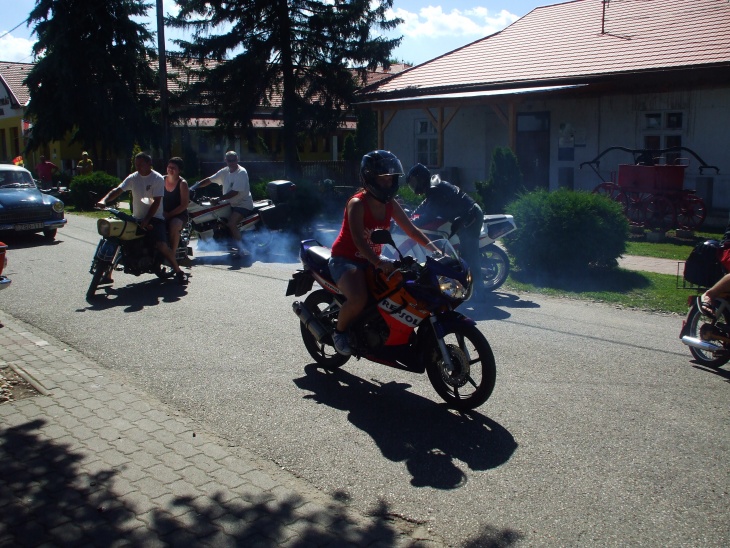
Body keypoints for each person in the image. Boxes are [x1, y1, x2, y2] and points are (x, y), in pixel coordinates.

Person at [328, 150, 439, 356]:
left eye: (391, 179)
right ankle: (339, 332)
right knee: (359, 299)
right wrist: (379, 261)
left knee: (403, 288)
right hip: (346, 260)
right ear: (369, 178)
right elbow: (359, 241)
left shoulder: (390, 204)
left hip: (373, 260)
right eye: (383, 179)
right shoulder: (357, 204)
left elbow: (412, 230)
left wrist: (436, 250)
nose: (388, 184)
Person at [95, 152, 189, 285]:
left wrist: (148, 219)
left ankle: (178, 271)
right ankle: (107, 274)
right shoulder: (133, 177)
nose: (137, 167)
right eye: (136, 164)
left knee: (161, 245)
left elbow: (157, 201)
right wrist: (104, 200)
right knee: (120, 238)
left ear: (149, 164)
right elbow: (118, 190)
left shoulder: (157, 178)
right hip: (137, 218)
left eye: (141, 164)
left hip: (155, 218)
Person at [406, 163, 486, 300]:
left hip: (471, 218)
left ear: (421, 178)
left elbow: (429, 215)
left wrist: (410, 224)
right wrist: (410, 216)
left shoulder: (435, 189)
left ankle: (479, 293)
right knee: (463, 253)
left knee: (469, 256)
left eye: (414, 181)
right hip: (464, 218)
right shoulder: (432, 187)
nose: (414, 185)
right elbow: (425, 205)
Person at [191, 150, 253, 257]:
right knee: (217, 218)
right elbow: (209, 180)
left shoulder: (241, 172)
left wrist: (219, 198)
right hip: (229, 203)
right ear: (225, 160)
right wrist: (193, 187)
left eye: (233, 160)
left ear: (237, 159)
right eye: (229, 160)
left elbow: (234, 192)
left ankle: (242, 250)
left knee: (231, 223)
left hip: (242, 204)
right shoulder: (225, 171)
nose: (231, 162)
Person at [162, 157, 190, 259]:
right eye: (169, 167)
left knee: (174, 225)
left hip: (179, 214)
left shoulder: (182, 183)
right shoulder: (161, 180)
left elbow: (184, 205)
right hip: (162, 212)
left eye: (173, 168)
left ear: (179, 170)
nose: (170, 169)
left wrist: (169, 215)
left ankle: (172, 255)